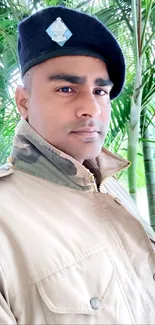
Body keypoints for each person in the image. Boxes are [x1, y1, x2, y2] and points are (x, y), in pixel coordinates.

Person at [0, 6, 155, 324]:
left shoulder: (110, 188)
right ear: (23, 102)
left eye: (100, 91)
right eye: (66, 89)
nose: (91, 108)